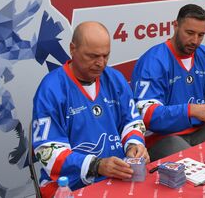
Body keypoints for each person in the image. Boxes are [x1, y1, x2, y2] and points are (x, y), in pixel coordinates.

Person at [32, 22, 148, 196]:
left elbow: (131, 121)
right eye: (92, 56)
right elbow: (48, 151)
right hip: (68, 184)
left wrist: (134, 145)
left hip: (117, 174)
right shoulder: (51, 89)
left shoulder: (115, 78)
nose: (100, 63)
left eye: (105, 56)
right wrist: (96, 165)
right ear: (73, 49)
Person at [131, 4, 205, 160]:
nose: (195, 41)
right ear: (175, 26)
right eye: (190, 33)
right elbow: (146, 115)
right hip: (164, 137)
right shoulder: (154, 61)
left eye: (201, 35)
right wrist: (190, 111)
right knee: (190, 158)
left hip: (199, 130)